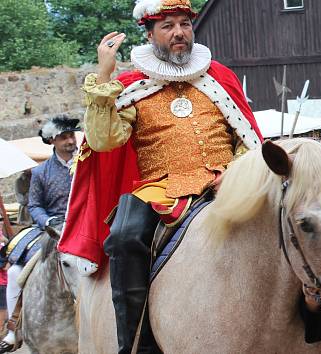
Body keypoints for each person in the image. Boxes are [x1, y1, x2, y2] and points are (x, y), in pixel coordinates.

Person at [56, 1, 265, 353]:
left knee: (297, 217)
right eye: (168, 26)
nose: (179, 32)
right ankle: (136, 342)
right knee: (123, 238)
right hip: (161, 189)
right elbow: (104, 139)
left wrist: (236, 172)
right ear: (149, 33)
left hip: (229, 183)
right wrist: (104, 77)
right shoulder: (130, 86)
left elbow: (248, 140)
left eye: (184, 24)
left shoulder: (220, 79)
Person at [0, 115, 80, 353]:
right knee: (15, 272)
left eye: (71, 135)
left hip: (83, 226)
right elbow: (34, 205)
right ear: (53, 140)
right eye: (64, 136)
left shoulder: (86, 165)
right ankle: (14, 329)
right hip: (50, 229)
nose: (70, 140)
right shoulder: (41, 172)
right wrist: (48, 221)